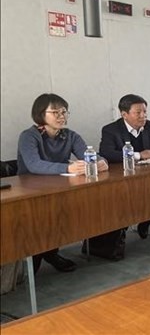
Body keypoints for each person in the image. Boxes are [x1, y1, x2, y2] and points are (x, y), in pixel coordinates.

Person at [17, 93, 109, 273]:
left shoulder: (70, 135)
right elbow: (34, 165)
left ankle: (51, 252)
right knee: (41, 222)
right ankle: (35, 259)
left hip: (59, 187)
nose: (61, 116)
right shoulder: (29, 136)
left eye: (64, 112)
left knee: (61, 218)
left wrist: (100, 162)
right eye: (55, 112)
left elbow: (89, 154)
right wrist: (68, 168)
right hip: (30, 190)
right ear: (41, 114)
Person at [99, 94, 150, 239]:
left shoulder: (149, 127)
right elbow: (107, 153)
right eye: (138, 113)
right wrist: (139, 155)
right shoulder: (111, 130)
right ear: (124, 114)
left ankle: (146, 221)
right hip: (124, 177)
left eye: (145, 112)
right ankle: (122, 228)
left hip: (149, 175)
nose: (143, 116)